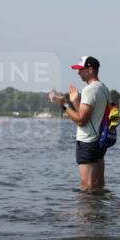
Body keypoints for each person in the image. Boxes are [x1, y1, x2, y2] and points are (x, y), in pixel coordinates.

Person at [50, 56, 110, 192]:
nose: (78, 73)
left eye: (80, 69)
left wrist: (63, 104)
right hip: (99, 141)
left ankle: (87, 213)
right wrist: (75, 101)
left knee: (87, 186)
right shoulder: (103, 88)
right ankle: (100, 213)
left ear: (90, 70)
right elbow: (88, 117)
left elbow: (81, 120)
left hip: (88, 142)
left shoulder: (89, 90)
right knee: (99, 184)